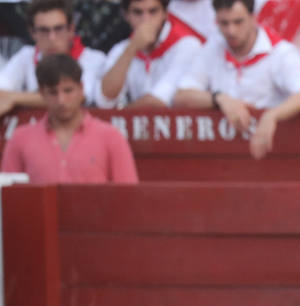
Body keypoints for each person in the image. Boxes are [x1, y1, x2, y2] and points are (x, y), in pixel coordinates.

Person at [172, 0, 300, 160]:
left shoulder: (279, 52)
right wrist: (220, 99)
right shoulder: (214, 47)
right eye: (224, 23)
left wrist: (272, 115)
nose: (231, 31)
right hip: (221, 157)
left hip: (270, 154)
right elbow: (181, 97)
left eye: (238, 22)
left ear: (253, 18)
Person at [1, 53, 137, 182]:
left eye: (68, 90)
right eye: (53, 92)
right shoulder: (20, 139)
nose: (61, 100)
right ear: (42, 93)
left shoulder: (111, 137)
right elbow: (7, 197)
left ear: (81, 88)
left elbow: (128, 196)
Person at [0, 0, 107, 116]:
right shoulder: (25, 55)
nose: (52, 38)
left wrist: (14, 98)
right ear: (32, 33)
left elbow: (79, 98)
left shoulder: (94, 59)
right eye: (44, 30)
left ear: (71, 29)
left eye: (58, 29)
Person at [96, 0, 202, 108]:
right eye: (137, 12)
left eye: (153, 11)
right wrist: (132, 48)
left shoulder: (187, 45)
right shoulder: (121, 49)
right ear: (126, 15)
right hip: (134, 121)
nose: (145, 20)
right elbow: (105, 100)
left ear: (165, 14)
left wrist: (121, 116)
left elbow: (158, 101)